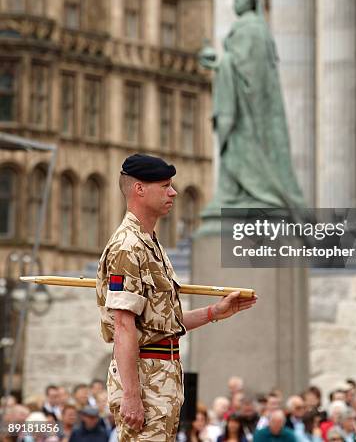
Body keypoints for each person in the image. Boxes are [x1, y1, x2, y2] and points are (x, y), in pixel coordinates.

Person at [96, 153, 257, 442]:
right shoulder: (127, 247)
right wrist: (132, 395)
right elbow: (123, 325)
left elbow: (161, 323)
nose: (173, 192)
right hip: (145, 378)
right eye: (165, 185)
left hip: (162, 375)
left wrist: (215, 312)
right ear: (139, 189)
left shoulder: (150, 244)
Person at [198, 0, 304, 214]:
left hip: (246, 110)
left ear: (250, 2)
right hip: (241, 104)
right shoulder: (249, 29)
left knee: (242, 149)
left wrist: (219, 61)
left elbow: (247, 69)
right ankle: (236, 192)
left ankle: (251, 192)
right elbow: (238, 63)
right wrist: (221, 62)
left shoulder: (252, 29)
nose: (235, 1)